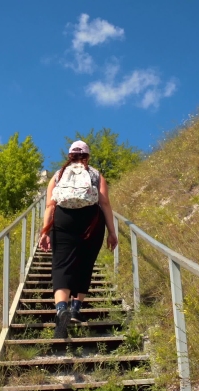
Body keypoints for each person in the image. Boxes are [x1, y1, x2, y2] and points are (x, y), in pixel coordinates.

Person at [39, 140, 118, 338]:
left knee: (61, 265)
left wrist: (45, 232)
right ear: (87, 156)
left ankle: (61, 309)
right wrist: (112, 232)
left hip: (63, 219)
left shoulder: (58, 175)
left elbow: (50, 205)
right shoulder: (95, 175)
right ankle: (75, 309)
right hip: (91, 220)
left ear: (69, 156)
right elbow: (105, 203)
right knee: (85, 263)